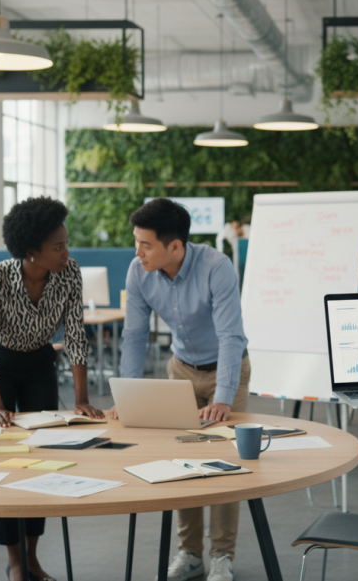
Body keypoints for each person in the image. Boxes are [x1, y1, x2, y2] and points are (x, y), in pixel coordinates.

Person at [110, 198, 249, 581]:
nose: (137, 252)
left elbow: (231, 336)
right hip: (182, 369)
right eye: (136, 242)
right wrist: (127, 392)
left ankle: (222, 556)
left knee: (224, 463)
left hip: (226, 369)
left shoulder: (216, 267)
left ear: (175, 246)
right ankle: (190, 553)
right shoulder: (139, 272)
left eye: (145, 244)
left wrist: (222, 397)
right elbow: (135, 335)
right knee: (184, 461)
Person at [0, 196, 104, 581]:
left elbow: (75, 334)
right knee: (3, 463)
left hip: (39, 365)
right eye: (58, 246)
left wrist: (82, 399)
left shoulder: (69, 273)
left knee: (42, 459)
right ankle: (14, 561)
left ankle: (32, 557)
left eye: (66, 244)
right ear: (31, 251)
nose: (67, 253)